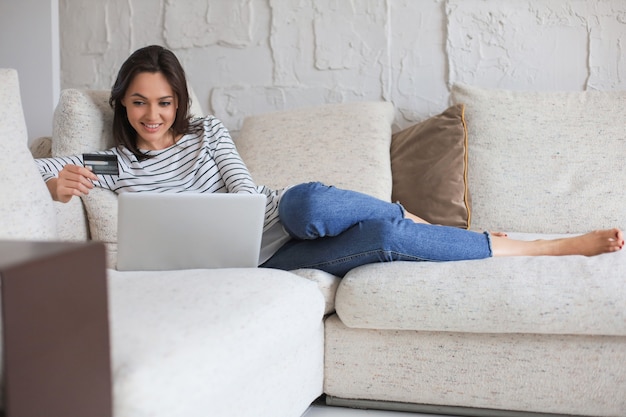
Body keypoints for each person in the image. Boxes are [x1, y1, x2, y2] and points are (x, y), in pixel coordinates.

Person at [36, 45, 624, 277]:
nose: (152, 114)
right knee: (386, 237)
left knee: (312, 203)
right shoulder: (112, 162)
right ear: (122, 103)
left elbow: (244, 191)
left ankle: (526, 242)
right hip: (260, 264)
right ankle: (523, 243)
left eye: (163, 102)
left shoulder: (206, 130)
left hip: (275, 218)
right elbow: (30, 171)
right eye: (139, 102)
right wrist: (61, 185)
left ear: (179, 101)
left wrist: (234, 211)